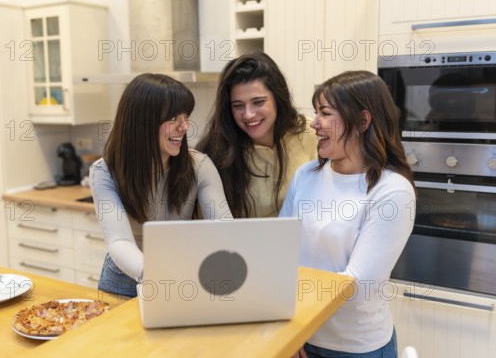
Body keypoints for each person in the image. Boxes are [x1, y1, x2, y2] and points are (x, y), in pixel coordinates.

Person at [279, 70, 416, 358]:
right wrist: (289, 333)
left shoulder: (392, 192)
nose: (314, 124)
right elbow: (278, 252)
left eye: (325, 113)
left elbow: (356, 285)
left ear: (363, 121)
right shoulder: (306, 175)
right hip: (300, 340)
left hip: (355, 348)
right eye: (316, 112)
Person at [90, 73, 232, 298]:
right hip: (123, 282)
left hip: (181, 275)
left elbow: (226, 229)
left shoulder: (200, 166)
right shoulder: (105, 171)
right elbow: (119, 242)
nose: (184, 126)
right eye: (174, 118)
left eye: (186, 117)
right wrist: (161, 277)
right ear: (142, 122)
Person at [196, 51, 317, 218]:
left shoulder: (310, 133)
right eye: (238, 105)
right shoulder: (214, 153)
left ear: (277, 97)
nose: (248, 115)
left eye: (258, 102)